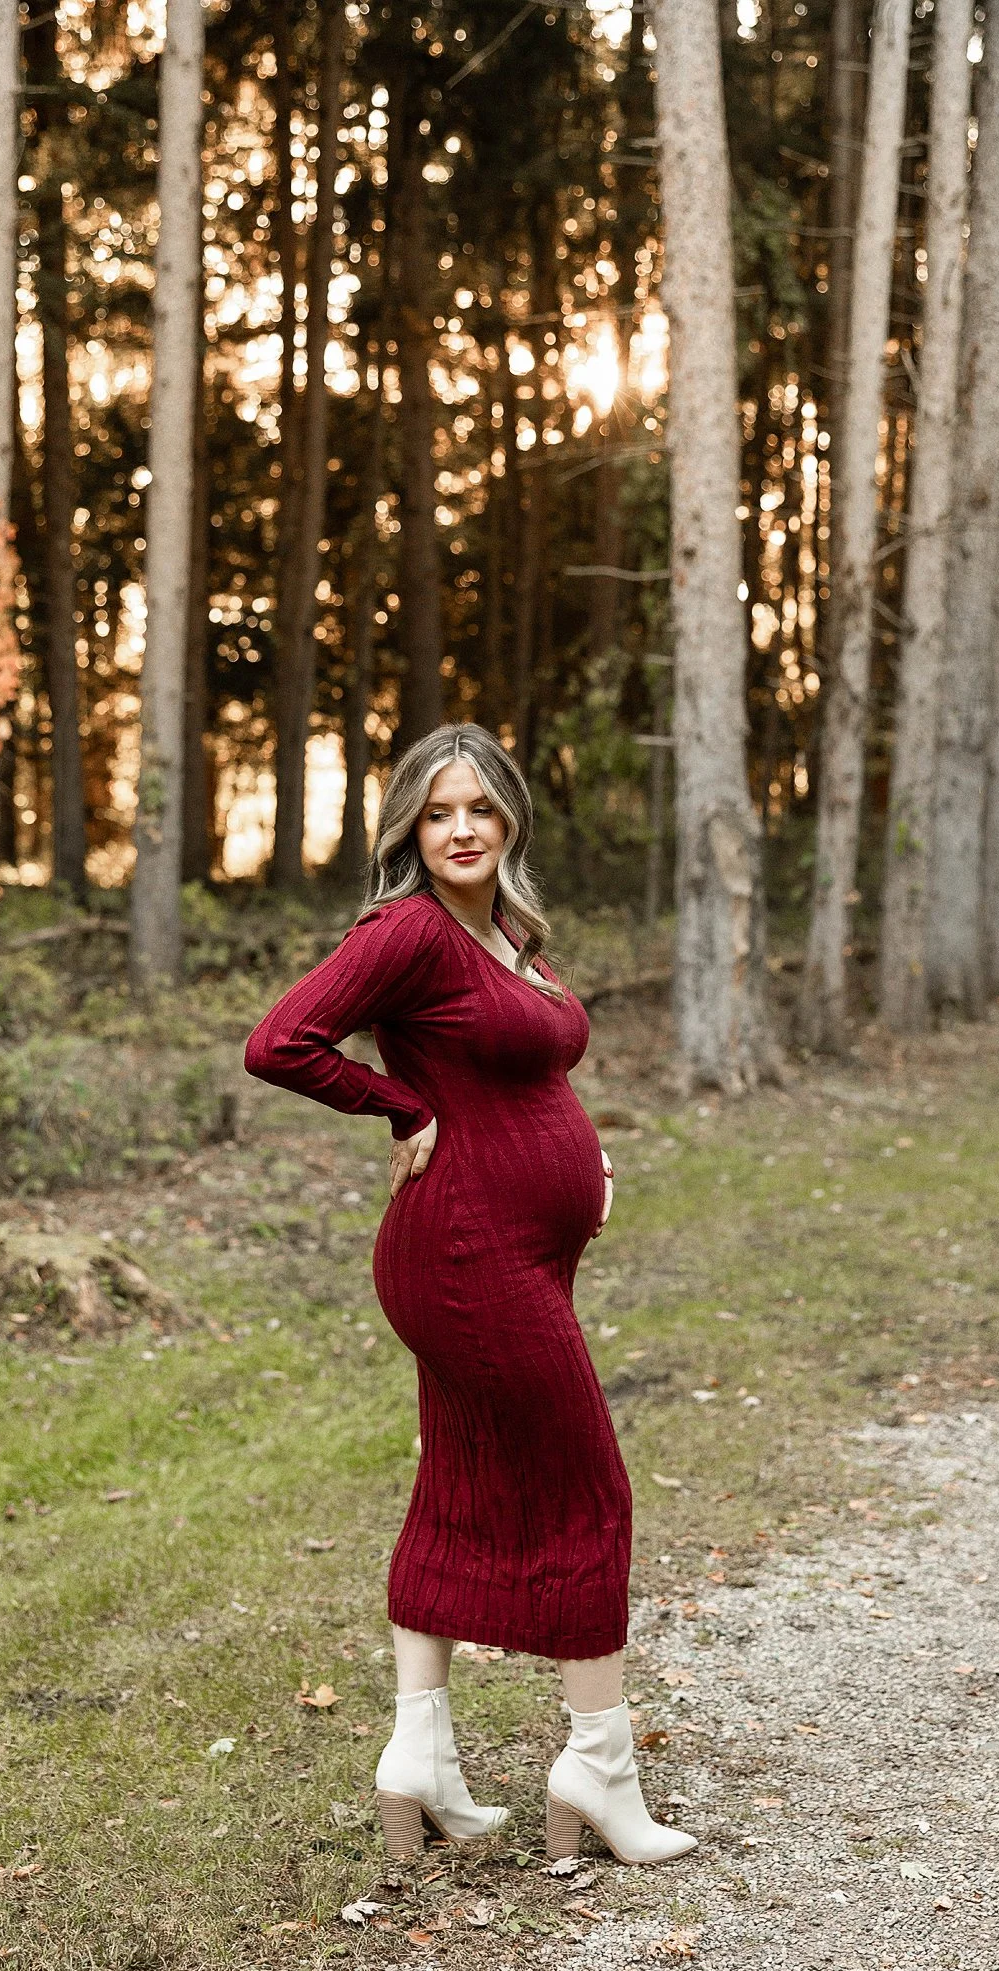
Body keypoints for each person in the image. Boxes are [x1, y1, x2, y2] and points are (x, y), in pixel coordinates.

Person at [243, 723, 696, 1866]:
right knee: (590, 1491)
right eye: (438, 810)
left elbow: (522, 1077)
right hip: (461, 1256)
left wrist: (575, 1164)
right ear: (410, 823)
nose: (460, 828)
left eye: (480, 810)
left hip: (513, 1248)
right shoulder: (406, 932)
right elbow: (278, 1042)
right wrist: (397, 1103)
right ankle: (599, 1767)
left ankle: (420, 1756)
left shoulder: (505, 934)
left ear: (509, 822)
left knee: (458, 1481)